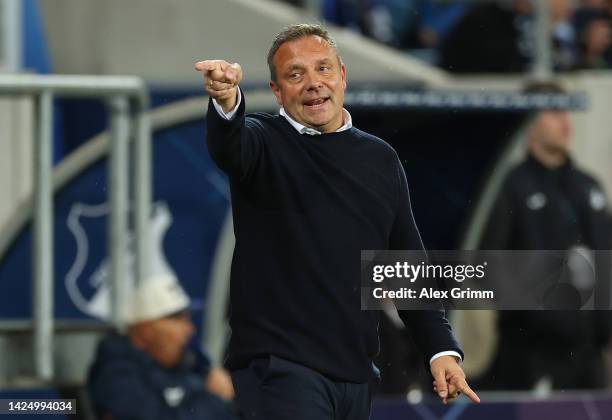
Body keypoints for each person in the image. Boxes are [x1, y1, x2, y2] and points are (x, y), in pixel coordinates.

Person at [195, 23, 479, 419]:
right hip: (279, 368)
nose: (313, 83)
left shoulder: (380, 160)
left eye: (323, 69)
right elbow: (230, 145)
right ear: (277, 92)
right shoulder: (261, 142)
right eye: (296, 74)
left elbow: (408, 266)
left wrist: (440, 349)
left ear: (342, 75)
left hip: (356, 374)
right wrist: (227, 101)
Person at [480, 81, 612, 390]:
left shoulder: (588, 186)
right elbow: (487, 266)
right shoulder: (510, 187)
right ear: (528, 121)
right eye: (553, 111)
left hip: (590, 355)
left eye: (566, 110)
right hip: (533, 356)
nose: (565, 121)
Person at [87, 274, 238, 420]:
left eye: (188, 319)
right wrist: (212, 398)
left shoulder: (191, 366)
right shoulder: (116, 375)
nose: (189, 329)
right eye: (178, 320)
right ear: (146, 329)